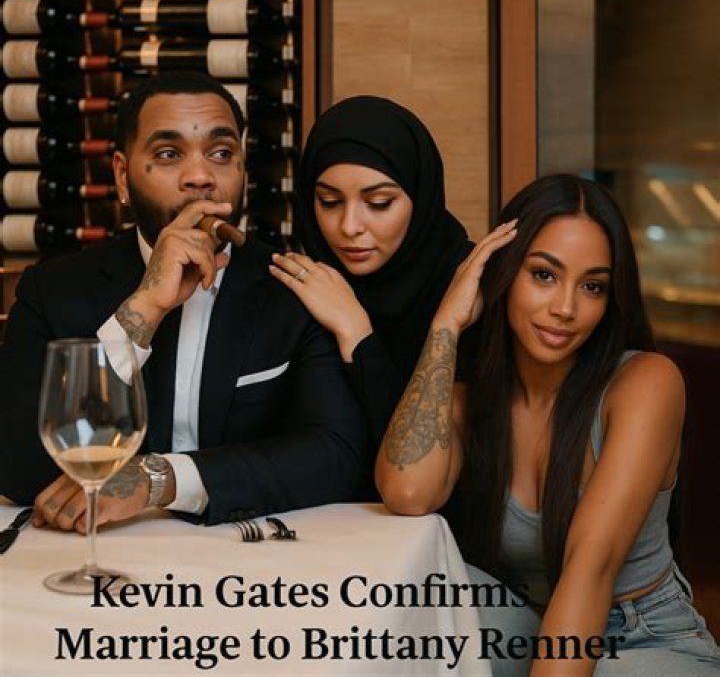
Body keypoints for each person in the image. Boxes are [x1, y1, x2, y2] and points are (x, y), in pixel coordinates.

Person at [376, 174, 719, 676]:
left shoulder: (645, 384)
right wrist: (446, 324)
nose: (565, 308)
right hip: (530, 628)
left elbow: (592, 566)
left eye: (592, 286)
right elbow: (406, 493)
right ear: (503, 274)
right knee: (409, 592)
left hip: (641, 635)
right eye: (543, 275)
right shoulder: (470, 403)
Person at [0, 71, 367, 531]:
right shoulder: (52, 289)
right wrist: (145, 306)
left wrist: (162, 478)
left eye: (222, 153)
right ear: (122, 177)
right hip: (99, 556)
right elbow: (14, 463)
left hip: (248, 561)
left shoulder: (293, 289)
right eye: (169, 154)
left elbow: (336, 454)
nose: (200, 177)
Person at [269, 95, 473, 444]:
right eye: (329, 202)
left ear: (420, 195)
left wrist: (356, 332)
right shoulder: (307, 286)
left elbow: (425, 456)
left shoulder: (468, 286)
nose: (349, 227)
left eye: (379, 203)